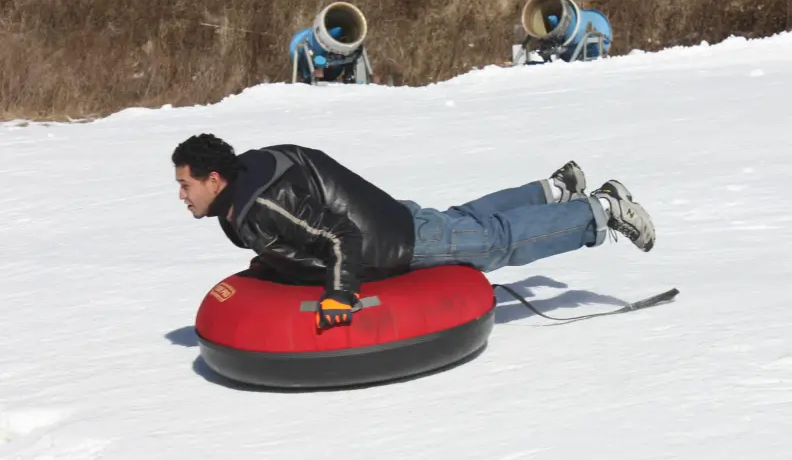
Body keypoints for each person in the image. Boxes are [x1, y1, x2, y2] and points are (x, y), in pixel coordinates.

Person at [172, 134, 655, 330]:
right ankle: (555, 190)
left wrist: (339, 297)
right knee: (466, 220)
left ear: (215, 179)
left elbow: (339, 237)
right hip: (383, 216)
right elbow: (297, 226)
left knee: (495, 243)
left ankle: (601, 211)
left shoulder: (261, 206)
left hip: (393, 241)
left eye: (185, 184)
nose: (182, 195)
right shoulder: (247, 179)